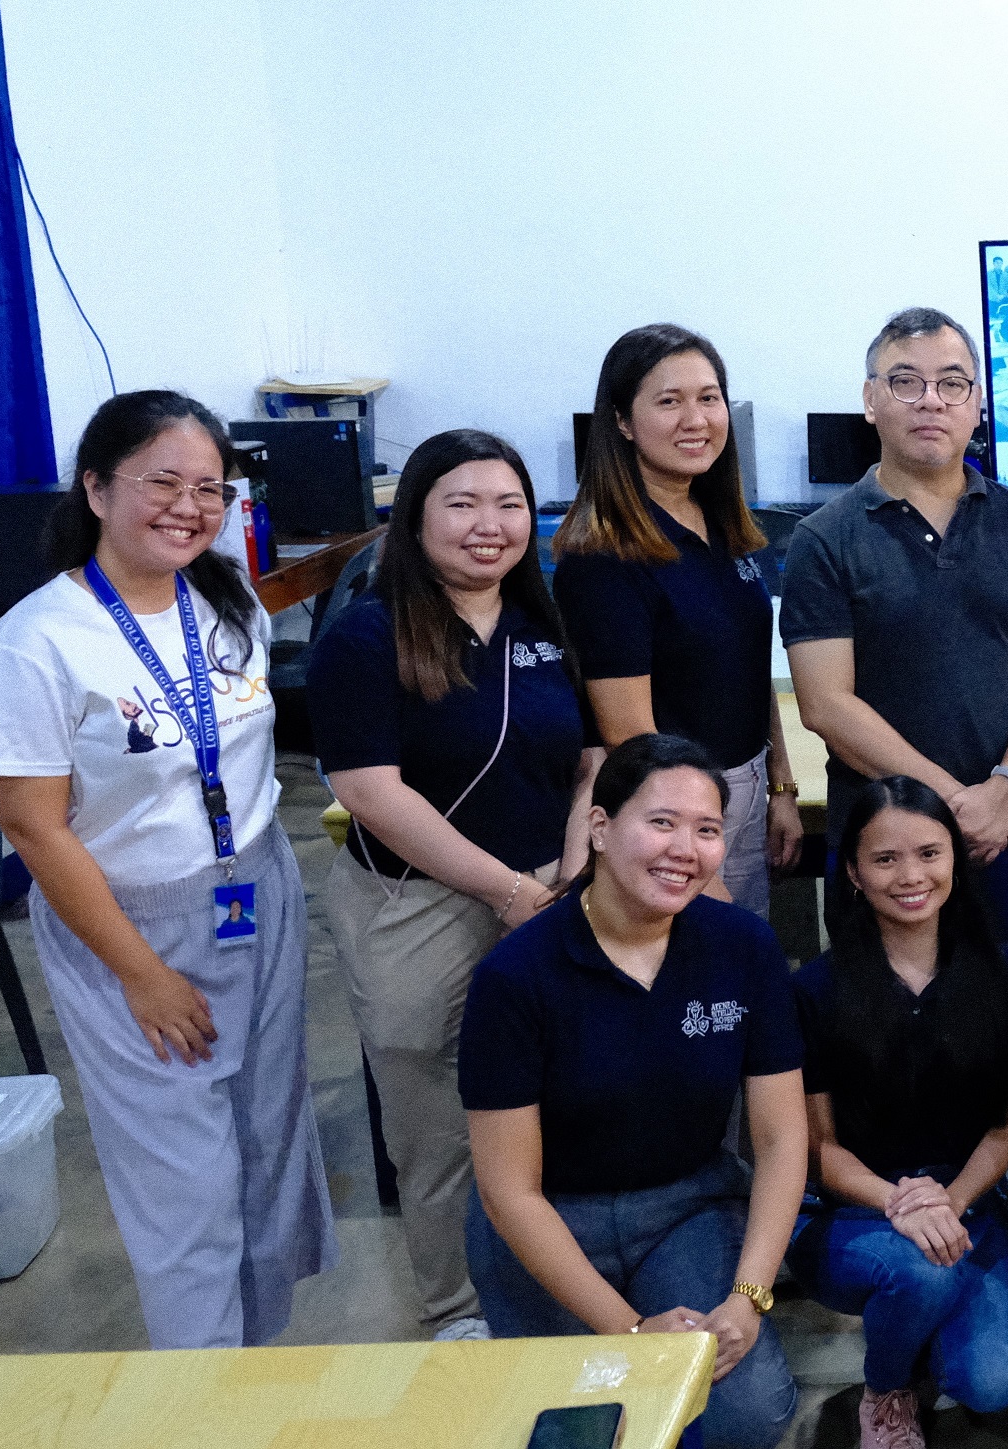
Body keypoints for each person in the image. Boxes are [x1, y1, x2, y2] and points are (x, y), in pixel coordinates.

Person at [0, 390, 338, 1348]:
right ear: (97, 488)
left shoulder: (226, 598)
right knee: (184, 1188)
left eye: (211, 488)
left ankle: (251, 1371)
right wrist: (140, 973)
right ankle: (199, 1390)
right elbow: (32, 827)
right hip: (129, 926)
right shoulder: (37, 641)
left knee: (267, 1154)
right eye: (163, 482)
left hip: (258, 893)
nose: (190, 506)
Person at [313, 428, 600, 1344]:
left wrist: (571, 873)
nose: (490, 524)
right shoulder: (366, 635)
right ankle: (455, 1310)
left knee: (551, 1102)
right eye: (463, 503)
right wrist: (506, 889)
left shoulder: (544, 626)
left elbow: (593, 757)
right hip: (417, 905)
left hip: (549, 894)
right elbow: (370, 791)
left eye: (509, 504)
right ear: (414, 517)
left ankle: (553, 1284)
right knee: (433, 1123)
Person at [459, 734, 804, 1449]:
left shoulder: (743, 947)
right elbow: (509, 1191)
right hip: (553, 1216)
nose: (685, 849)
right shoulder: (516, 976)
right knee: (578, 1426)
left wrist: (749, 1296)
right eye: (661, 822)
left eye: (707, 830)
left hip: (686, 1206)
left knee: (747, 1414)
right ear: (600, 827)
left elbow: (780, 1136)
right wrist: (634, 1331)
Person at [784, 306, 1008, 969]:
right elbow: (825, 704)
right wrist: (952, 803)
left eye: (952, 383)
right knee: (877, 1018)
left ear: (976, 403)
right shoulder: (824, 539)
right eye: (905, 382)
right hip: (882, 844)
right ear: (870, 400)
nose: (931, 401)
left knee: (1006, 1013)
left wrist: (1004, 788)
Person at [790, 777, 1008, 1449]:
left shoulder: (1007, 974)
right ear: (852, 871)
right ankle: (887, 1388)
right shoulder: (815, 988)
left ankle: (921, 1328)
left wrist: (950, 1201)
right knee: (921, 1272)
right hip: (850, 1209)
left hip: (967, 1201)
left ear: (955, 858)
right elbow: (818, 1148)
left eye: (930, 853)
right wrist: (901, 1203)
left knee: (994, 1381)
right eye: (885, 858)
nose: (910, 876)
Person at [552, 323, 801, 909]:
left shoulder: (722, 525)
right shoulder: (603, 557)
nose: (696, 420)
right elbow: (629, 735)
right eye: (669, 401)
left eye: (709, 398)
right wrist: (697, 864)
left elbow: (747, 669)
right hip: (668, 815)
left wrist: (781, 786)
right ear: (622, 421)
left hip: (745, 786)